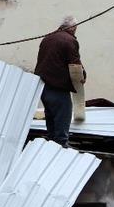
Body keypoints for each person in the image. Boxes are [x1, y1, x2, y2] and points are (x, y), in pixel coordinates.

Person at [34, 16, 85, 147]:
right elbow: (74, 64)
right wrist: (82, 75)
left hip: (43, 86)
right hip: (58, 87)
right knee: (63, 118)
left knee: (50, 118)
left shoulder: (47, 38)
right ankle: (61, 147)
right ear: (72, 27)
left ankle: (51, 144)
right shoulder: (69, 41)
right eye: (76, 28)